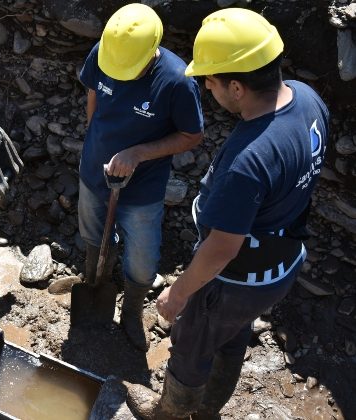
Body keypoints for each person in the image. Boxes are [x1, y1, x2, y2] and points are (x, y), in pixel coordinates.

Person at [125, 8, 329, 419]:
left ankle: (171, 413)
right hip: (280, 263)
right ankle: (210, 406)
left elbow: (222, 249)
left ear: (236, 87)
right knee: (232, 334)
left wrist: (178, 294)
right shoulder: (307, 99)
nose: (205, 87)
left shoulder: (249, 160)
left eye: (210, 80)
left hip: (236, 278)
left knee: (193, 342)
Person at [77, 3, 203, 350]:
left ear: (153, 51)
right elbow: (93, 98)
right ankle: (94, 283)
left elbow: (192, 135)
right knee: (92, 236)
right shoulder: (105, 53)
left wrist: (138, 153)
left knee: (143, 259)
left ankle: (132, 309)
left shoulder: (177, 81)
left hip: (142, 187)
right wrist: (95, 143)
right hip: (94, 173)